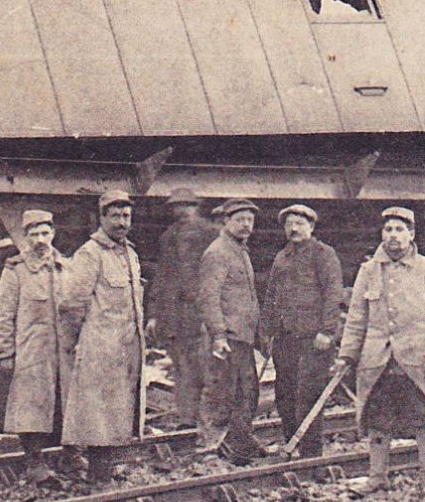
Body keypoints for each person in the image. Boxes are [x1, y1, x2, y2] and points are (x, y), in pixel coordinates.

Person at [337, 207, 425, 499]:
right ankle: (377, 477)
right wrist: (347, 356)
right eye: (388, 229)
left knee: (423, 420)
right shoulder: (368, 271)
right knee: (378, 420)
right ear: (382, 234)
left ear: (411, 235)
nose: (393, 236)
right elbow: (357, 318)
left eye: (399, 230)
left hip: (417, 362)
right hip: (377, 360)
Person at [58, 190, 146, 484]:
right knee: (97, 413)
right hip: (100, 346)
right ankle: (98, 474)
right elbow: (71, 303)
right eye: (116, 216)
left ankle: (104, 469)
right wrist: (72, 344)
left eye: (126, 216)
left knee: (118, 410)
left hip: (126, 347)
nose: (122, 222)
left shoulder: (130, 254)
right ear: (102, 217)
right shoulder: (90, 254)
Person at [0, 210, 68, 486]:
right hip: (31, 352)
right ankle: (35, 463)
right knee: (31, 408)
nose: (40, 240)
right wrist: (5, 352)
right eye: (34, 234)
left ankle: (66, 460)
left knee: (65, 404)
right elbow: (1, 314)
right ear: (26, 237)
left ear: (53, 233)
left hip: (64, 354)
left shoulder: (66, 268)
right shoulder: (16, 271)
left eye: (45, 233)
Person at [261, 204, 343, 460]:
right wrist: (267, 330)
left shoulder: (323, 254)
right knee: (284, 393)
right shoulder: (281, 257)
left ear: (311, 226)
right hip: (285, 338)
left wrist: (328, 331)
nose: (294, 229)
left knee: (308, 394)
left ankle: (311, 453)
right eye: (289, 224)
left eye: (299, 223)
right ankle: (291, 444)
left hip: (314, 339)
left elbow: (333, 294)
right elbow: (271, 295)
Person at [197, 199, 267, 464]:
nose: (246, 225)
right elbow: (208, 297)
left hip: (241, 336)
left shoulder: (239, 250)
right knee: (221, 392)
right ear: (226, 222)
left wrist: (258, 334)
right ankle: (208, 448)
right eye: (240, 220)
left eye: (250, 220)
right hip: (227, 337)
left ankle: (240, 441)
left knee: (246, 391)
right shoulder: (218, 252)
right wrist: (218, 335)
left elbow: (247, 298)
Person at [147, 188, 217, 428]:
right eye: (178, 206)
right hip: (175, 315)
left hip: (203, 313)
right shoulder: (167, 238)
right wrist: (154, 314)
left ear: (197, 207)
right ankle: (187, 420)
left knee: (207, 368)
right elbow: (161, 276)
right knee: (182, 368)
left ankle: (209, 421)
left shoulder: (212, 234)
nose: (183, 211)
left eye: (188, 205)